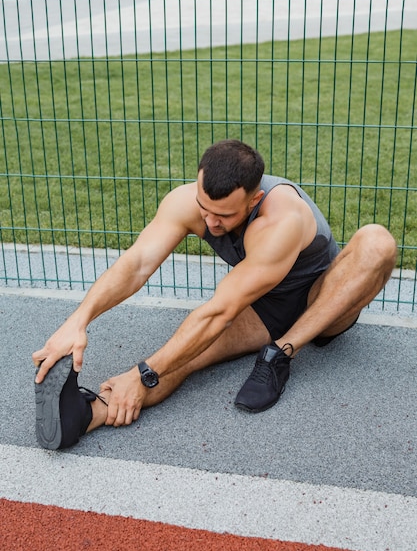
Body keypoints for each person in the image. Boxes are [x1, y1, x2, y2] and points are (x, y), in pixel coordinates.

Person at [33, 139, 397, 450]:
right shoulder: (189, 203)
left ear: (254, 200)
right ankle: (84, 414)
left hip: (325, 302)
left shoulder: (280, 220)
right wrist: (77, 321)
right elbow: (137, 263)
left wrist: (144, 373)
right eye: (204, 209)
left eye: (223, 216)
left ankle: (282, 352)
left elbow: (218, 312)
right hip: (263, 305)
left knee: (377, 241)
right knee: (185, 355)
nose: (210, 223)